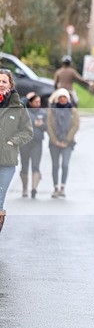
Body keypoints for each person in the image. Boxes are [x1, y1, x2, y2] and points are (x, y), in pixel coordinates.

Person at [0, 68, 34, 233]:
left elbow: (28, 132)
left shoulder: (18, 107)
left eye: (4, 81)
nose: (0, 84)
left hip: (7, 162)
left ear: (10, 85)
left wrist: (13, 141)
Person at [47, 88, 80, 199]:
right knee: (55, 165)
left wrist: (66, 140)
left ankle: (63, 187)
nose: (62, 99)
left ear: (68, 99)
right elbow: (49, 126)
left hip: (68, 143)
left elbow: (75, 126)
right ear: (57, 99)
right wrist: (55, 140)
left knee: (65, 164)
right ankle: (55, 187)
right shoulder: (52, 111)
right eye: (60, 97)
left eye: (64, 97)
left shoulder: (73, 111)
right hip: (54, 142)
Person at [19, 92, 46, 198]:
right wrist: (26, 98)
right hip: (25, 143)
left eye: (39, 102)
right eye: (35, 102)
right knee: (24, 166)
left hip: (37, 143)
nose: (38, 104)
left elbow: (48, 127)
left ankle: (34, 188)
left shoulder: (43, 113)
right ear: (30, 102)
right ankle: (25, 188)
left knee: (35, 166)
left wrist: (42, 125)